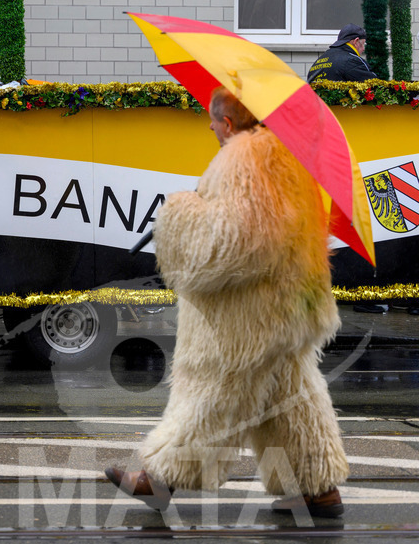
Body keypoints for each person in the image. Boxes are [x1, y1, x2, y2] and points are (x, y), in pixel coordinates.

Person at [105, 87, 348, 519]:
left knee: (214, 392)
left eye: (213, 121)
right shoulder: (287, 154)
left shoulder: (246, 157)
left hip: (251, 314)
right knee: (291, 397)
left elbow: (239, 238)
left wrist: (179, 214)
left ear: (229, 123)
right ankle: (318, 490)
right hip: (293, 303)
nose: (210, 127)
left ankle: (159, 480)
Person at [307, 23, 377, 84]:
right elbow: (375, 86)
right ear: (356, 41)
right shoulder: (353, 61)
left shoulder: (320, 60)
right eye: (363, 44)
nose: (363, 49)